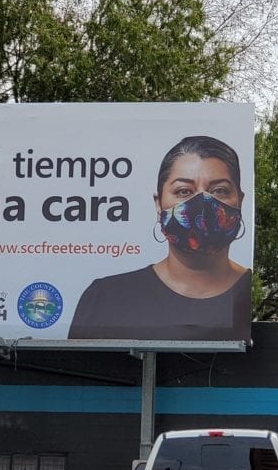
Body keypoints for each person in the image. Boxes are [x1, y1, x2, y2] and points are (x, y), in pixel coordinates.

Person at [68, 135, 251, 341]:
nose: (202, 202)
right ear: (158, 204)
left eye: (219, 190)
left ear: (240, 200)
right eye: (184, 191)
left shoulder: (252, 294)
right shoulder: (106, 298)